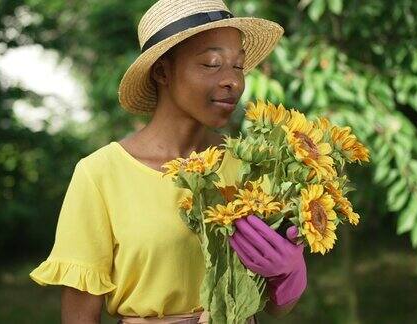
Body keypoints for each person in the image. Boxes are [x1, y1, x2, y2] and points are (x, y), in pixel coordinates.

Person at [29, 0, 307, 323]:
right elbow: (80, 317)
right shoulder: (100, 175)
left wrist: (290, 278)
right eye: (212, 64)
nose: (234, 81)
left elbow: (275, 305)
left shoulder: (250, 166)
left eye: (238, 65)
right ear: (162, 70)